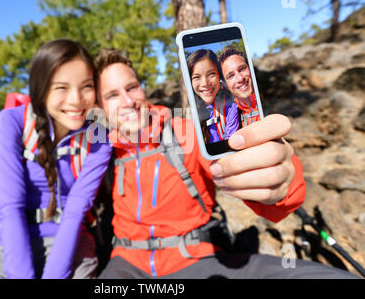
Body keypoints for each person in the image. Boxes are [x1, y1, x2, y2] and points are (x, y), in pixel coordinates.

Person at [94, 48, 356, 279]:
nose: (128, 101)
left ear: (142, 88)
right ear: (100, 107)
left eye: (131, 87)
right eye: (112, 95)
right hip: (124, 266)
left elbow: (251, 176)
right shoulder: (100, 154)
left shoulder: (187, 133)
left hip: (196, 260)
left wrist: (280, 181)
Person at [0, 39, 112, 279]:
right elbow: (11, 206)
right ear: (40, 90)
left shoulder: (99, 138)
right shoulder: (11, 122)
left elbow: (76, 210)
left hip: (70, 242)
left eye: (86, 86)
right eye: (61, 88)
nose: (76, 100)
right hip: (4, 242)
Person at [186, 49, 238, 143]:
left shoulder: (230, 108)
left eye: (211, 74)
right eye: (196, 77)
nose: (205, 83)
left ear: (219, 76)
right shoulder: (189, 112)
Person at [219, 45, 260, 128]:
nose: (240, 78)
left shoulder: (272, 100)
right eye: (231, 76)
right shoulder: (230, 120)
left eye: (242, 69)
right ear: (225, 85)